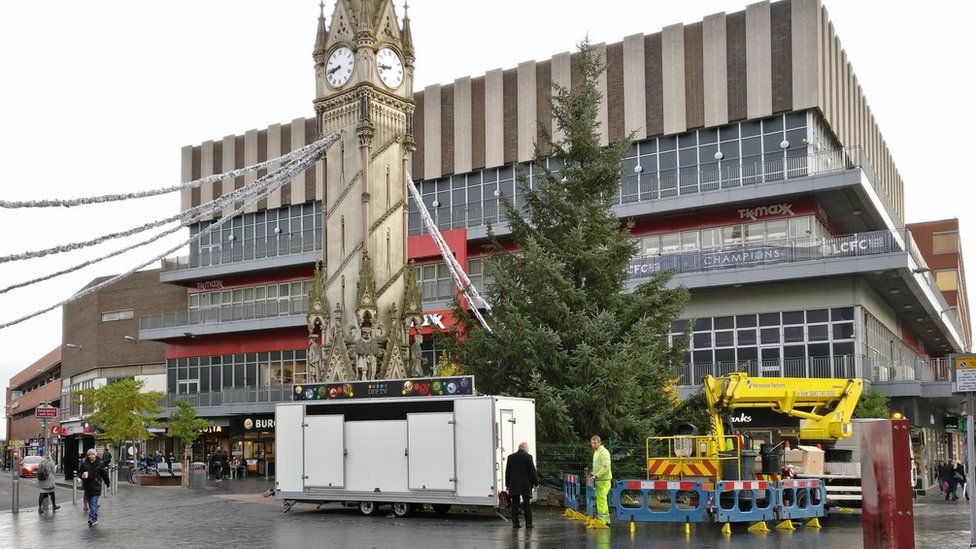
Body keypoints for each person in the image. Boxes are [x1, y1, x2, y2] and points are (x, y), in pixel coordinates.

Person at [505, 442, 539, 529]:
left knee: (515, 505)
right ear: (525, 448)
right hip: (525, 484)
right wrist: (536, 483)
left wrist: (507, 484)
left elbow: (507, 472)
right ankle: (528, 524)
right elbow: (533, 471)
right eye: (527, 449)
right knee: (526, 504)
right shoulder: (528, 457)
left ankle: (515, 523)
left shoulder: (510, 457)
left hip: (514, 484)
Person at [78, 448, 110, 527]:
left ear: (95, 455)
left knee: (93, 503)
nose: (91, 456)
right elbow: (79, 472)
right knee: (90, 503)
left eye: (92, 454)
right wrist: (82, 475)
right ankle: (94, 518)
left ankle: (92, 519)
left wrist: (108, 485)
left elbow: (104, 475)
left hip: (96, 486)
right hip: (87, 486)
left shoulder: (100, 463)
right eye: (89, 455)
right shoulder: (84, 462)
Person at [589, 435, 612, 526]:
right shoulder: (597, 452)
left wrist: (596, 476)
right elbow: (597, 467)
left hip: (604, 480)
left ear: (599, 442)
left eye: (595, 443)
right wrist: (592, 474)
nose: (593, 445)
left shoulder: (603, 452)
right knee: (600, 499)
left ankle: (604, 521)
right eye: (592, 443)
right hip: (600, 479)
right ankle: (604, 520)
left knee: (602, 499)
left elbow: (606, 467)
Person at [36, 449, 59, 514]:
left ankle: (40, 508)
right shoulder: (51, 462)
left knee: (42, 493)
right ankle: (54, 506)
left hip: (41, 480)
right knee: (52, 493)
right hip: (49, 481)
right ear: (49, 455)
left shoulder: (41, 462)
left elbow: (39, 469)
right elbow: (53, 472)